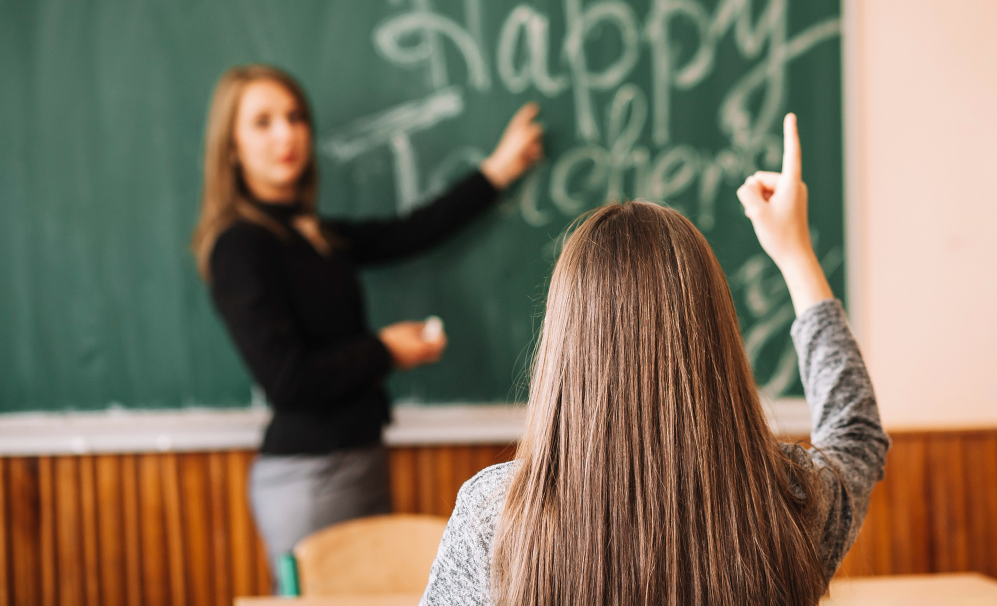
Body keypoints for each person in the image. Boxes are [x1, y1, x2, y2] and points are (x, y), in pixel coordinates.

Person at [420, 114, 889, 606]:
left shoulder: (496, 517)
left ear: (563, 345)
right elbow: (856, 434)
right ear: (716, 337)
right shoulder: (786, 502)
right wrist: (796, 257)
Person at [190, 64, 544, 579]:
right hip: (309, 476)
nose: (285, 134)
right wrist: (385, 351)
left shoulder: (312, 232)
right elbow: (287, 380)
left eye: (294, 117)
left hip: (359, 459)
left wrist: (499, 171)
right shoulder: (239, 246)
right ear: (231, 147)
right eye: (262, 122)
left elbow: (410, 232)